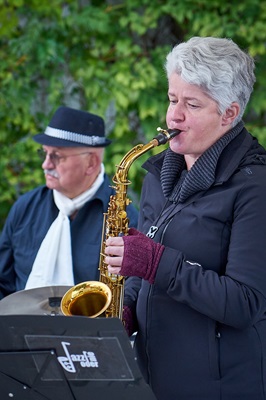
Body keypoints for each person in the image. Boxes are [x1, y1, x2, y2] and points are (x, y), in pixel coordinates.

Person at [104, 37, 266, 400]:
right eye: (172, 99)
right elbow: (142, 270)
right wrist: (125, 306)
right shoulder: (159, 175)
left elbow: (245, 304)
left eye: (191, 104)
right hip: (153, 380)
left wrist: (157, 262)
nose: (173, 116)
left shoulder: (256, 188)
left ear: (229, 113)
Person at [0, 106, 138, 299]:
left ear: (91, 163)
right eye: (44, 153)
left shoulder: (126, 220)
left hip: (91, 329)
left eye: (56, 156)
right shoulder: (25, 207)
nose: (46, 164)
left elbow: (131, 296)